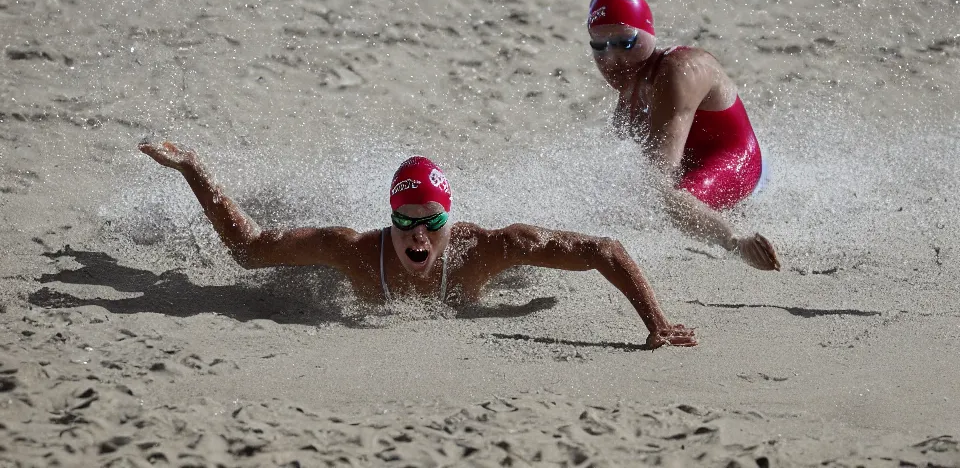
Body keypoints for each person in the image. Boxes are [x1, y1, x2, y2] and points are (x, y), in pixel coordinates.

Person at [138, 141, 697, 349]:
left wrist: (657, 322)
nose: (418, 235)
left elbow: (605, 250)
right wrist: (191, 167)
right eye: (405, 223)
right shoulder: (355, 250)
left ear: (450, 219)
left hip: (488, 278)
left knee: (532, 266)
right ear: (390, 219)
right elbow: (249, 246)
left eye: (431, 221)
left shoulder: (487, 248)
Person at [586, 0, 781, 271]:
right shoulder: (629, 93)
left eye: (625, 43)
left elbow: (659, 171)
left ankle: (736, 240)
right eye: (599, 46)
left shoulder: (677, 70)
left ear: (649, 34)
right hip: (693, 168)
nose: (611, 58)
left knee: (671, 201)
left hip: (737, 162)